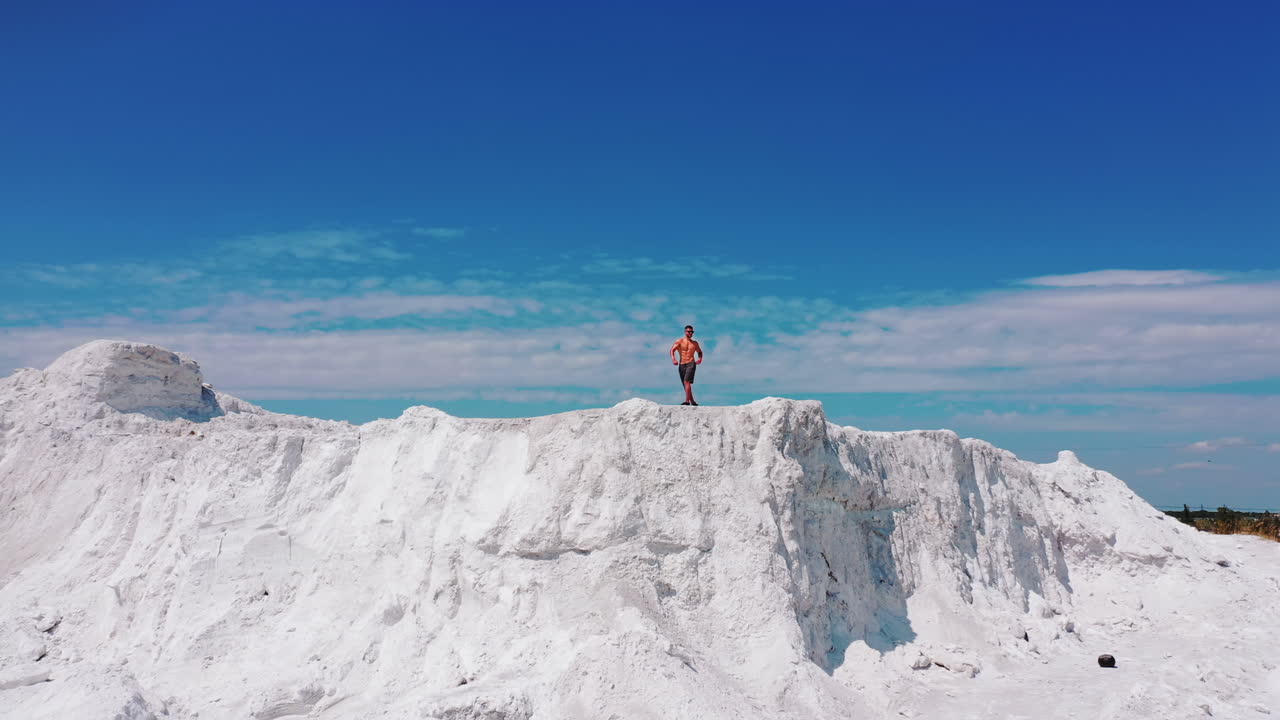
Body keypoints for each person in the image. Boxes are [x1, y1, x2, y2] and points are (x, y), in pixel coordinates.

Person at [669, 324, 704, 406]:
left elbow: (699, 352)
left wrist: (700, 359)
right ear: (685, 332)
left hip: (691, 363)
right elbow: (672, 350)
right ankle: (692, 401)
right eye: (689, 331)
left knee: (686, 381)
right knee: (685, 384)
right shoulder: (680, 341)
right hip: (681, 364)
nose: (691, 333)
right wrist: (673, 359)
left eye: (692, 332)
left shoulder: (695, 343)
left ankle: (687, 401)